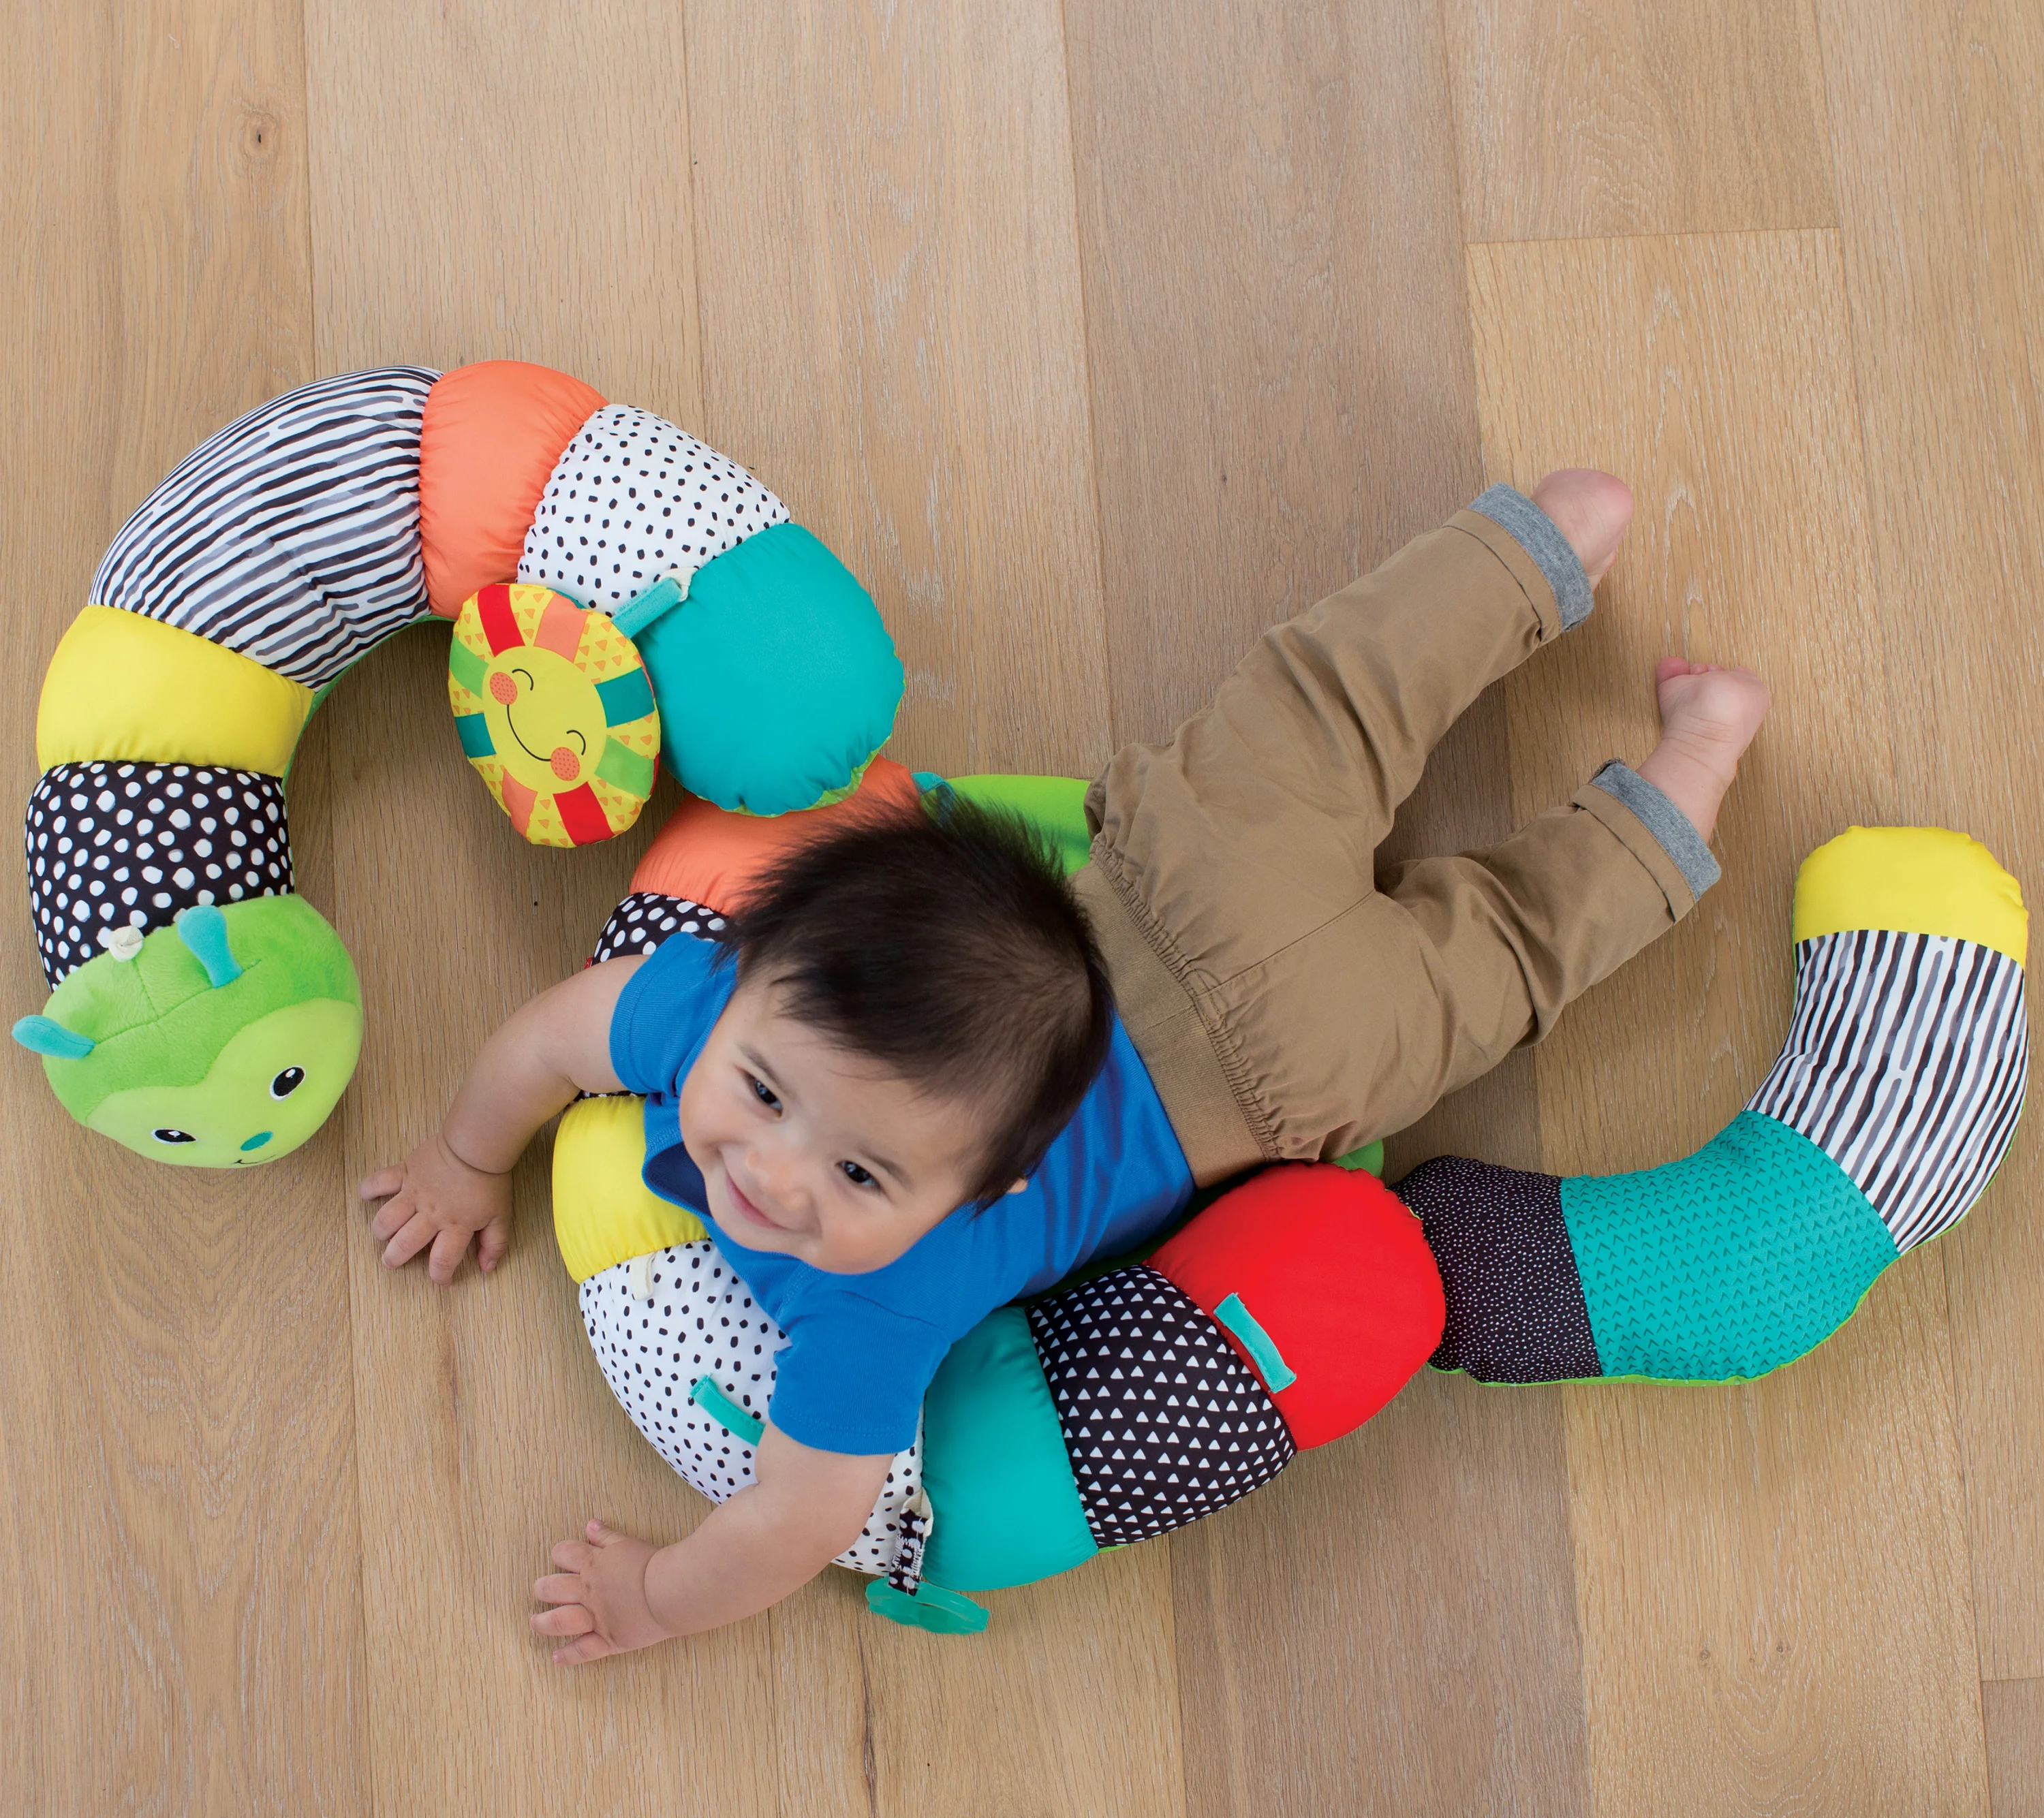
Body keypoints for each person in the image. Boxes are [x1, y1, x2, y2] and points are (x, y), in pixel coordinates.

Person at [360, 470, 1769, 1661]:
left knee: (1500, 940)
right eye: (768, 1096)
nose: (770, 1177)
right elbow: (552, 1034)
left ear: (998, 1180)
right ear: (750, 978)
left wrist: (655, 1600)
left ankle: (1694, 750)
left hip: (1292, 1062)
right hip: (1180, 873)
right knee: (1333, 698)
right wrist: (464, 1154)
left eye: (861, 1170)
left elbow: (793, 1523)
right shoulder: (717, 1002)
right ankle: (1551, 538)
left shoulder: (873, 1301)